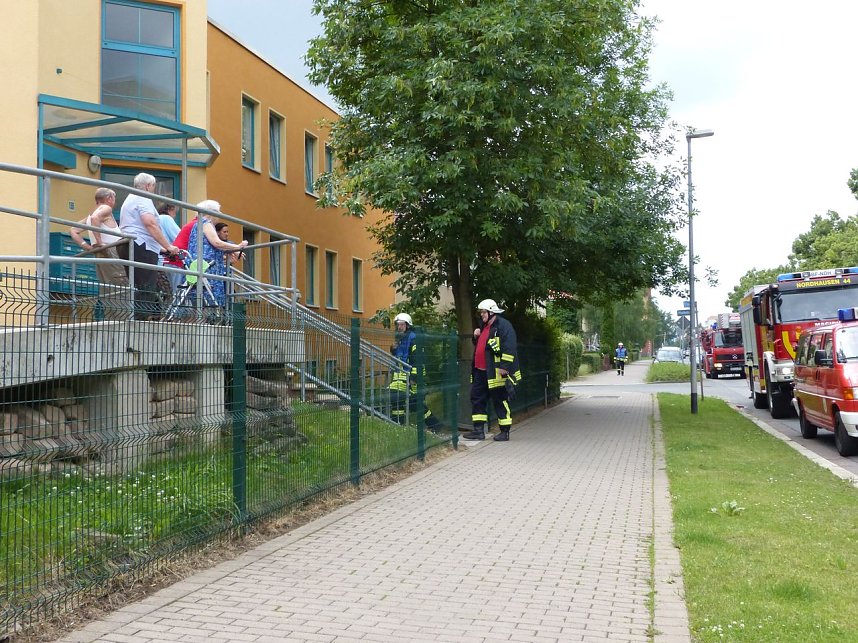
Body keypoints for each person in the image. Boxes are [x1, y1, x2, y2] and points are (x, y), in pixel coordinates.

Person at [117, 173, 179, 320]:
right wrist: (168, 246)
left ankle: (152, 318)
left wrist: (162, 249)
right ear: (148, 186)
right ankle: (141, 322)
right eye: (153, 187)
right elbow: (149, 223)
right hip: (140, 245)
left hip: (132, 244)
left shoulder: (130, 198)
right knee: (146, 286)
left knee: (150, 286)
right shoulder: (142, 197)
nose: (153, 190)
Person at [462, 299, 521, 442]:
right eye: (481, 312)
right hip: (480, 371)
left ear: (491, 312)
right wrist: (476, 337)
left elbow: (509, 347)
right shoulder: (484, 327)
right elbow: (483, 347)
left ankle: (504, 432)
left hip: (496, 372)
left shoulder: (503, 326)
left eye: (483, 312)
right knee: (477, 399)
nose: (481, 315)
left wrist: (504, 367)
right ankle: (478, 431)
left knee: (500, 400)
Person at [69, 187, 129, 318]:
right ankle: (123, 319)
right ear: (109, 199)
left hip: (100, 254)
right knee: (120, 283)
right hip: (111, 251)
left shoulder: (90, 215)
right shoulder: (106, 209)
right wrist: (99, 241)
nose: (114, 201)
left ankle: (111, 319)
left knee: (107, 287)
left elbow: (73, 230)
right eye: (114, 198)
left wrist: (87, 246)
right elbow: (96, 218)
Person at [186, 200, 247, 309]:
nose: (218, 216)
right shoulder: (206, 223)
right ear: (211, 212)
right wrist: (237, 247)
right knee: (207, 294)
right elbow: (216, 242)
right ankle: (205, 321)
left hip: (200, 264)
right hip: (207, 266)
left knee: (201, 296)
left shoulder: (198, 224)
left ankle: (203, 320)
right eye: (217, 212)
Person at [388, 312, 444, 431]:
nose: (399, 327)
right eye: (398, 325)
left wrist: (413, 378)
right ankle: (399, 425)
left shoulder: (413, 338)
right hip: (400, 375)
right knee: (396, 398)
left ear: (408, 325)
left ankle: (434, 424)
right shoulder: (400, 339)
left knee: (415, 403)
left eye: (402, 325)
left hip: (412, 375)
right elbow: (399, 356)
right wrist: (393, 349)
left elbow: (418, 359)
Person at [157, 203, 183, 295]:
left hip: (158, 260)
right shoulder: (166, 218)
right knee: (176, 292)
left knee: (164, 293)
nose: (175, 215)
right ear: (170, 209)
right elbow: (179, 237)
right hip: (169, 260)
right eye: (175, 212)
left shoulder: (156, 219)